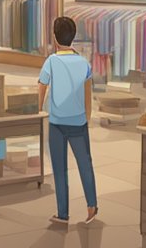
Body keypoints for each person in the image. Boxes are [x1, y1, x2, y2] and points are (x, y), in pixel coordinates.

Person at [39, 16, 98, 226]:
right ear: (73, 37)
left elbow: (42, 87)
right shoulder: (84, 63)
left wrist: (38, 110)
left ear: (55, 38)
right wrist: (87, 117)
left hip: (57, 122)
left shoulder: (51, 61)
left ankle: (63, 213)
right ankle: (92, 206)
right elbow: (88, 92)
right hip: (79, 122)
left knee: (60, 168)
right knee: (85, 163)